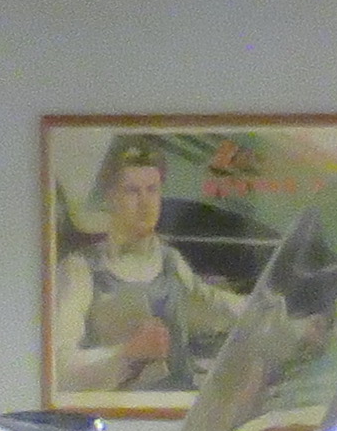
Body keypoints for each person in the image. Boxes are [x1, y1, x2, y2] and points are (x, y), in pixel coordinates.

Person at [49, 140, 241, 403]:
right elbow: (58, 369)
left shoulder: (170, 262)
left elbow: (216, 308)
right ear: (110, 197)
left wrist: (278, 311)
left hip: (179, 408)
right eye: (132, 191)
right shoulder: (80, 270)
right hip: (124, 413)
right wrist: (127, 354)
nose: (145, 203)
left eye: (152, 190)